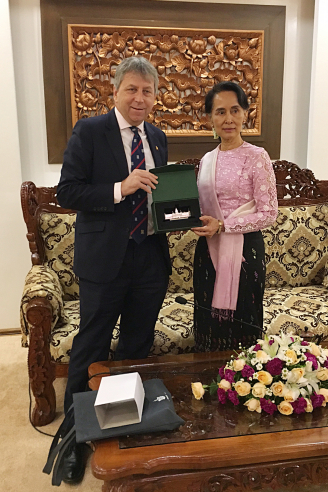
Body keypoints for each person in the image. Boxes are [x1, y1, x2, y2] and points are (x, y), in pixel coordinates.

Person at [56, 56, 171, 484]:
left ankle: (126, 427)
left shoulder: (157, 137)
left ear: (155, 97)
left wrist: (180, 214)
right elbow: (68, 190)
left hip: (150, 259)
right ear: (116, 91)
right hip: (104, 258)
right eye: (132, 89)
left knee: (137, 347)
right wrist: (120, 188)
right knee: (91, 349)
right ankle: (73, 437)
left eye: (147, 91)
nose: (140, 98)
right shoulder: (90, 131)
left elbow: (160, 196)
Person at [192, 81, 278, 352]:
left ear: (245, 114)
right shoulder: (206, 160)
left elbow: (269, 213)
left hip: (245, 253)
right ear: (210, 118)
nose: (228, 119)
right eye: (220, 112)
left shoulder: (257, 157)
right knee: (209, 323)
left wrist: (224, 225)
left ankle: (245, 386)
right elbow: (201, 208)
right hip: (208, 250)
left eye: (235, 110)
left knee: (243, 325)